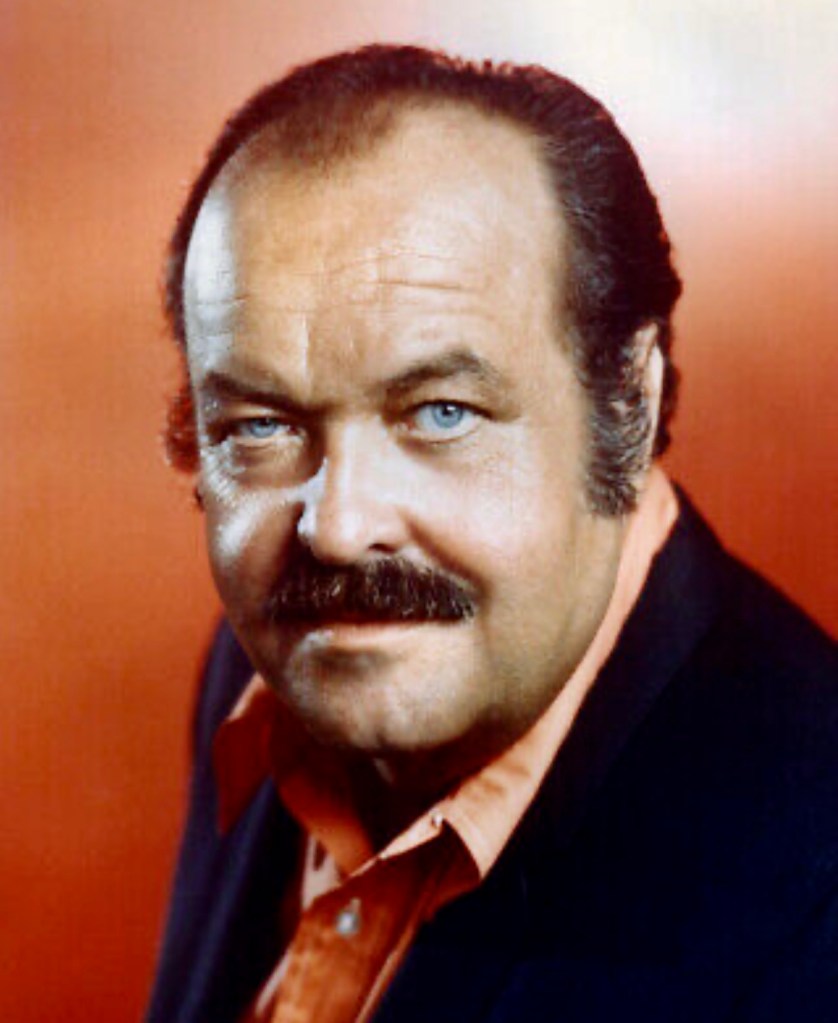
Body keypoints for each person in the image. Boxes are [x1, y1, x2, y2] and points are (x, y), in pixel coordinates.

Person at [146, 44, 838, 1023]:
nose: (338, 530)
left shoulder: (814, 898)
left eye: (441, 413)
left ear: (627, 402)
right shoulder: (259, 677)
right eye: (260, 426)